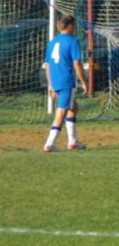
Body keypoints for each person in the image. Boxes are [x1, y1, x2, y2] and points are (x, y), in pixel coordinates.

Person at [43, 15, 88, 152]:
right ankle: (49, 144)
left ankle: (73, 142)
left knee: (73, 108)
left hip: (55, 80)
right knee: (61, 112)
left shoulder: (52, 42)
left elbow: (47, 66)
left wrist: (50, 85)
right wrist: (84, 82)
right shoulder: (72, 41)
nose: (74, 28)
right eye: (74, 25)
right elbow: (77, 63)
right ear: (70, 26)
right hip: (66, 81)